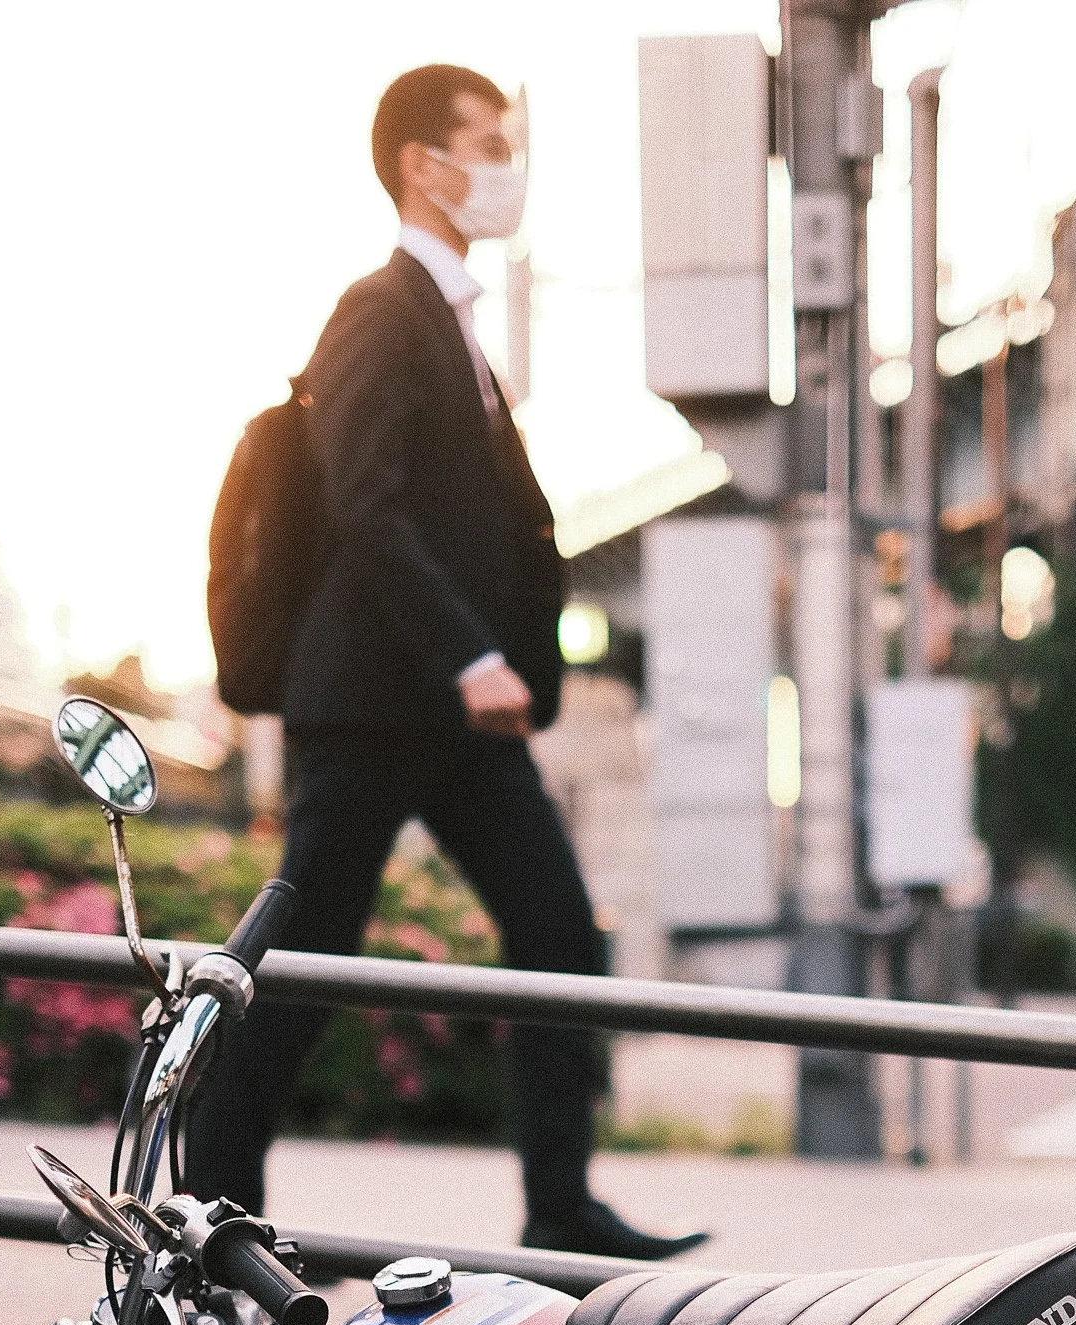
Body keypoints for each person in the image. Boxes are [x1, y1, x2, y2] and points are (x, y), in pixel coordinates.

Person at [186, 63, 704, 1261]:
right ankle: (211, 1213)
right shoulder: (380, 309)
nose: (505, 165)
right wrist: (470, 652)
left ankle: (562, 1206)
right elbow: (365, 509)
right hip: (375, 701)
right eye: (487, 142)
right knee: (304, 960)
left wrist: (503, 655)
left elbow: (492, 518)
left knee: (558, 932)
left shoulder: (452, 321)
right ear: (425, 162)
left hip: (458, 718)